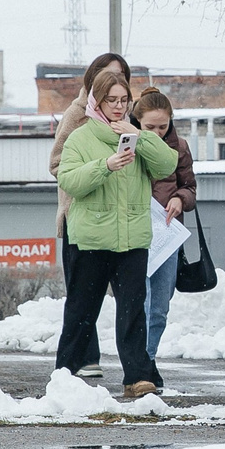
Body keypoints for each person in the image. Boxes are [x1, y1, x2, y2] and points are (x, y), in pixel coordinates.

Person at [53, 69, 178, 399]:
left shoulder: (138, 136)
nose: (119, 107)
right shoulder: (81, 137)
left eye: (124, 101)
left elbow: (167, 165)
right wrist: (105, 165)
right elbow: (69, 181)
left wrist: (143, 136)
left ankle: (136, 377)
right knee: (82, 311)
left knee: (133, 310)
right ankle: (63, 375)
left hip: (132, 239)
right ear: (97, 101)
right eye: (112, 101)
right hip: (91, 240)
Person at [48, 52, 130, 284]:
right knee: (83, 295)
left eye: (120, 75)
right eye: (108, 74)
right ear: (94, 77)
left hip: (119, 218)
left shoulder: (126, 116)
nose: (115, 79)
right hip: (82, 216)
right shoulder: (78, 113)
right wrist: (97, 170)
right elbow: (57, 164)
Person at [132, 87, 198, 361]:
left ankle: (149, 358)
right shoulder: (126, 143)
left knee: (159, 305)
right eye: (150, 127)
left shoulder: (179, 147)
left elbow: (191, 188)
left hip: (166, 235)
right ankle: (138, 363)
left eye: (163, 126)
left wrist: (180, 199)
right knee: (139, 303)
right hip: (134, 233)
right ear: (137, 121)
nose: (156, 132)